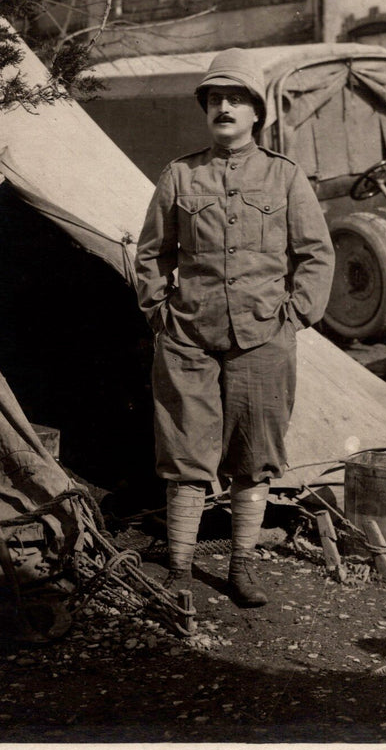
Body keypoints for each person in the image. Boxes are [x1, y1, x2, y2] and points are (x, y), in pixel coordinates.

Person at [136, 47, 335, 607]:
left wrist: (294, 316)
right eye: (215, 99)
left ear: (256, 112)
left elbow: (316, 254)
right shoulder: (180, 175)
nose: (224, 108)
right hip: (189, 339)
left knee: (255, 453)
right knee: (184, 454)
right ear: (206, 108)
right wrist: (160, 314)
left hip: (263, 339)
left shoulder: (284, 176)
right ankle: (179, 571)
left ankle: (241, 568)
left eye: (236, 99)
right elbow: (151, 254)